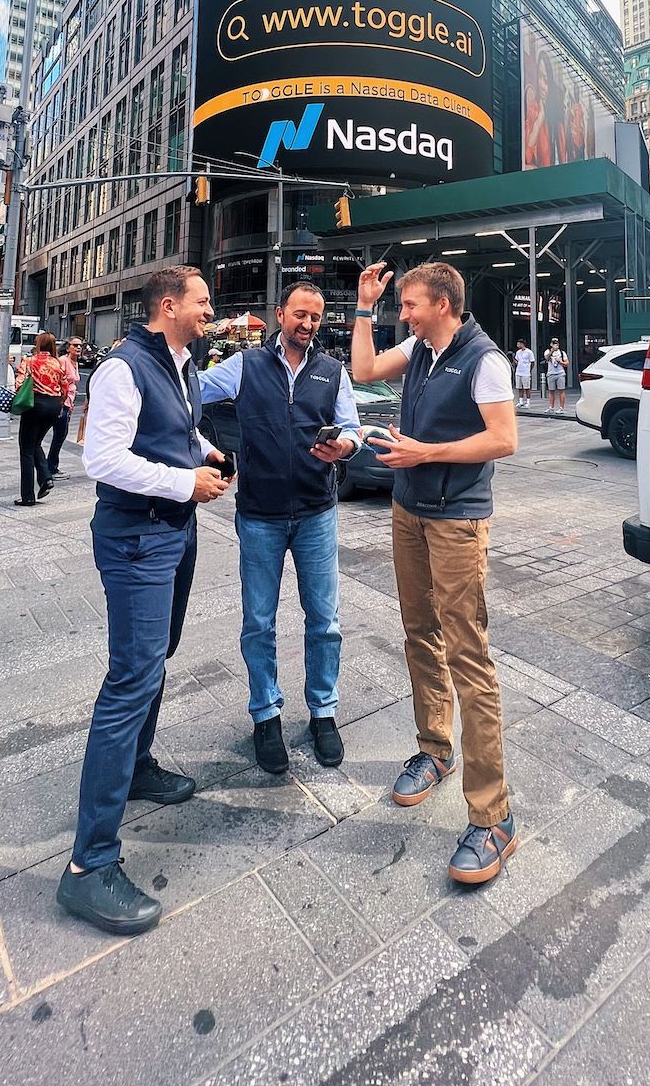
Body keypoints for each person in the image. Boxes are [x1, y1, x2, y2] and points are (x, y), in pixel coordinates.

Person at [57, 266, 232, 937]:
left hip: (173, 532)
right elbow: (99, 460)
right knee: (131, 677)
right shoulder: (123, 369)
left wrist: (208, 455)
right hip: (137, 538)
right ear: (169, 305)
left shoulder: (184, 364)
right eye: (203, 300)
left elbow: (177, 437)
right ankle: (87, 867)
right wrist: (183, 482)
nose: (211, 310)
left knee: (157, 656)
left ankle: (136, 767)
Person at [351, 261, 519, 886]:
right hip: (408, 512)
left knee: (467, 653)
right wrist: (364, 306)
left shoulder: (484, 359)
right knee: (417, 633)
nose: (405, 314)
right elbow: (364, 370)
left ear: (444, 303)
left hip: (456, 522)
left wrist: (428, 453)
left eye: (412, 305)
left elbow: (504, 440)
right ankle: (434, 750)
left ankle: (494, 816)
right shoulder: (421, 349)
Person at [198, 283, 360, 775]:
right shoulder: (246, 366)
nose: (307, 324)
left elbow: (351, 429)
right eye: (299, 314)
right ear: (279, 314)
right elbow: (187, 395)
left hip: (316, 511)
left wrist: (345, 448)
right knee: (259, 622)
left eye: (315, 316)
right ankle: (265, 713)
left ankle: (323, 712)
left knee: (325, 621)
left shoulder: (333, 373)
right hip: (260, 514)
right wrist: (202, 447)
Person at [14, 332, 65, 507]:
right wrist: (61, 405)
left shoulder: (30, 361)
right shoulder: (58, 363)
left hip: (35, 404)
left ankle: (28, 496)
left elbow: (19, 384)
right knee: (36, 443)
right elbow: (64, 386)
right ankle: (45, 478)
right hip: (54, 405)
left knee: (26, 450)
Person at [45, 337, 83, 478]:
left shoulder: (75, 362)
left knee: (61, 434)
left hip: (69, 402)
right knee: (60, 434)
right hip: (62, 402)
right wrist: (62, 403)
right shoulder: (63, 361)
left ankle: (52, 465)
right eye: (75, 345)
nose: (78, 348)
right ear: (68, 347)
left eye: (80, 346)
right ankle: (51, 467)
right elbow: (59, 381)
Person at [545, 338, 569, 413]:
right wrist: (552, 351)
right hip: (551, 373)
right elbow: (547, 358)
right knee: (551, 391)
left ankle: (561, 408)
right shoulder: (548, 351)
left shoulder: (562, 352)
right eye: (553, 343)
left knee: (561, 390)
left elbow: (567, 363)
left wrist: (561, 362)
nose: (555, 345)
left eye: (556, 343)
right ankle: (551, 407)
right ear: (551, 344)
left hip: (560, 373)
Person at [513, 339, 535, 409]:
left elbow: (532, 362)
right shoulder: (518, 352)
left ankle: (528, 402)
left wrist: (529, 369)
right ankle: (521, 401)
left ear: (522, 344)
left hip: (526, 372)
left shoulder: (529, 352)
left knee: (527, 388)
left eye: (519, 344)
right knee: (519, 387)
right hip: (518, 371)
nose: (517, 345)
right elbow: (517, 361)